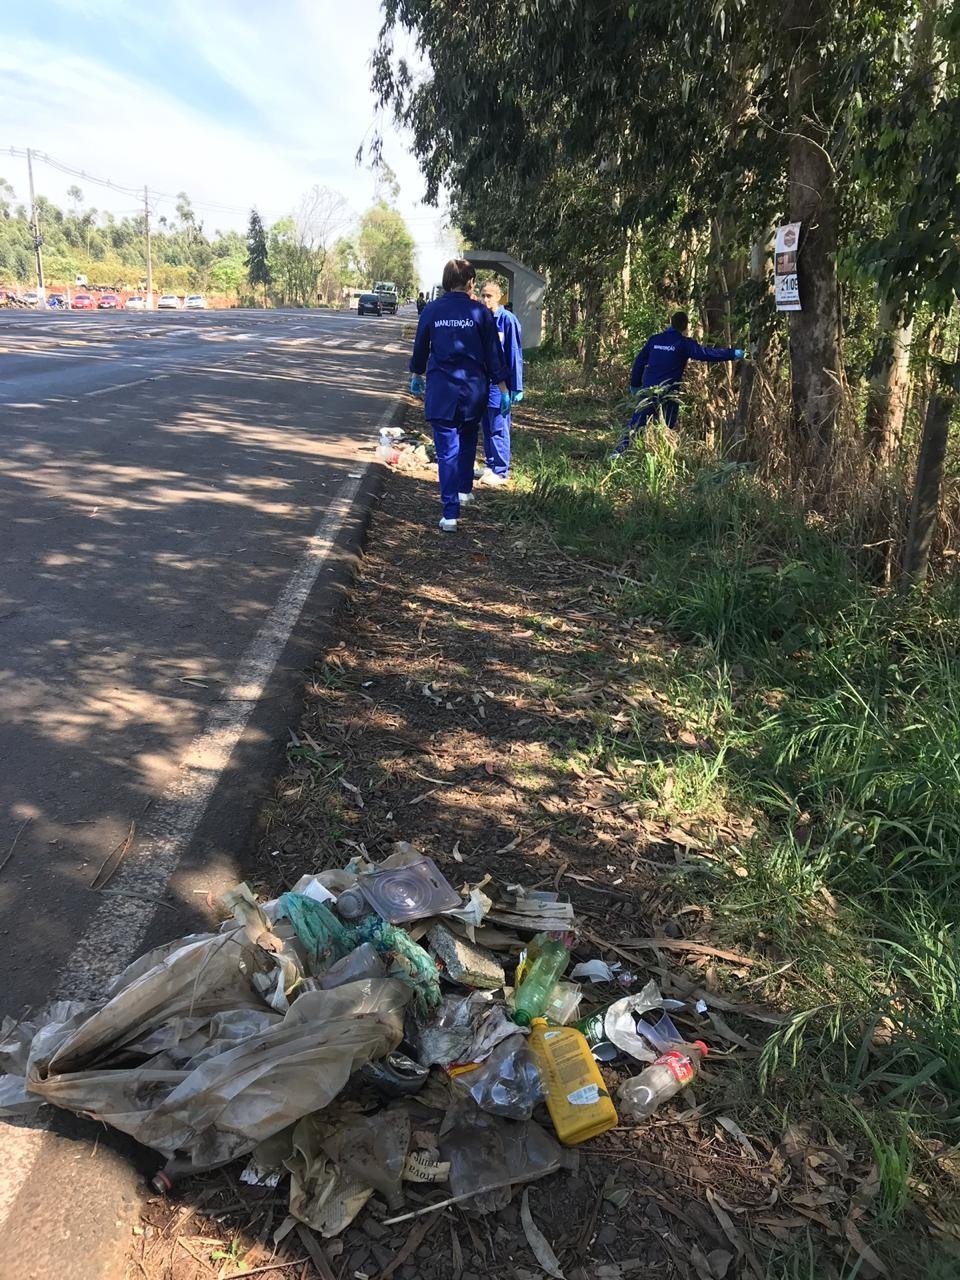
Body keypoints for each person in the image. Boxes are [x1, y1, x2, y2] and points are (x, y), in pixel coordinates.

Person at [409, 259, 511, 531]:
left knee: (447, 450)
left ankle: (450, 512)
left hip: (443, 389)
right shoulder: (480, 312)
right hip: (474, 390)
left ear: (445, 281)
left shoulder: (432, 310)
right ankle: (464, 491)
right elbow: (494, 354)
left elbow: (420, 347)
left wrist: (416, 375)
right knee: (467, 440)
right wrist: (503, 390)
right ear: (470, 282)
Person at [611, 311, 744, 455]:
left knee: (637, 423)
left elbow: (639, 362)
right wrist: (732, 354)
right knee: (667, 426)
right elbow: (705, 354)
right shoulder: (683, 343)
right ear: (685, 326)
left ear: (671, 322)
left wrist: (635, 384)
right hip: (669, 392)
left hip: (649, 390)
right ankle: (663, 456)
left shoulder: (655, 340)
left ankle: (618, 453)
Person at [478, 281, 523, 485]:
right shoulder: (482, 319)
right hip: (482, 383)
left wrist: (516, 386)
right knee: (486, 425)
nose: (486, 300)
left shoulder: (507, 320)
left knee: (498, 426)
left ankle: (501, 470)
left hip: (500, 384)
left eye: (489, 296)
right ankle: (490, 464)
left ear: (499, 297)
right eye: (483, 295)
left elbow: (514, 354)